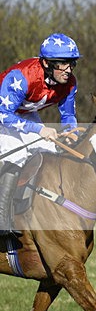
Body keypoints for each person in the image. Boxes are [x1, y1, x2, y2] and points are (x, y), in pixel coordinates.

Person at [0, 33, 81, 236]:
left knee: (49, 151)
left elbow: (68, 115)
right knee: (16, 154)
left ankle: (35, 213)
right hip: (3, 114)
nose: (68, 70)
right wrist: (38, 129)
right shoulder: (21, 76)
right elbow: (4, 114)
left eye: (71, 63)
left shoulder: (70, 83)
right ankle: (2, 218)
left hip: (23, 113)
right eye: (62, 64)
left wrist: (72, 134)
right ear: (46, 63)